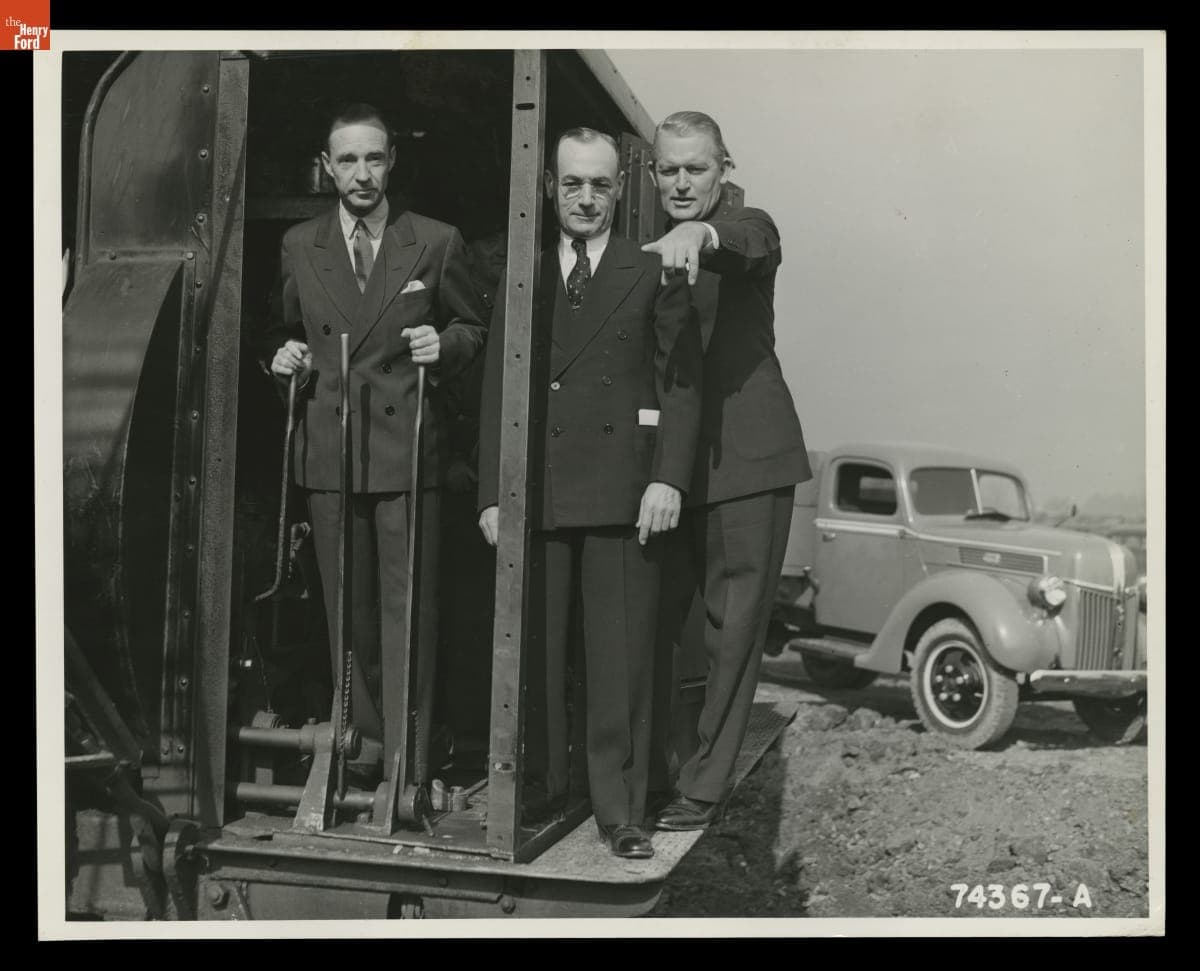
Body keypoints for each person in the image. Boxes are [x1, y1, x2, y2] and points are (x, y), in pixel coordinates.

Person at [477, 127, 703, 859]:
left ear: (619, 189)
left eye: (599, 184)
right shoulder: (526, 272)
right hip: (538, 491)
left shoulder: (651, 269)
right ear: (549, 188)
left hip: (623, 493)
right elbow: (496, 388)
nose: (584, 198)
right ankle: (545, 785)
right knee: (536, 654)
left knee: (621, 660)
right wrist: (491, 492)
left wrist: (667, 476)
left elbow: (681, 383)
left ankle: (620, 808)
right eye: (571, 183)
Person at [266, 103, 488, 787]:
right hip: (331, 458)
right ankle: (362, 752)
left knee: (408, 615)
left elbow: (473, 329)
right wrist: (282, 361)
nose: (361, 173)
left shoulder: (435, 240)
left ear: (392, 162)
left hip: (405, 456)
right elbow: (284, 337)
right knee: (348, 616)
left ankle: (409, 763)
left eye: (374, 158)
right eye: (348, 160)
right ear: (328, 167)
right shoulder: (300, 245)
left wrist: (444, 344)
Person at [643, 110, 813, 831]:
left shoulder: (747, 229)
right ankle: (662, 769)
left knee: (732, 633)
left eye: (697, 169)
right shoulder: (646, 248)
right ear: (652, 175)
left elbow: (747, 242)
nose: (683, 182)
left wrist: (701, 234)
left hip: (748, 464)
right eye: (670, 170)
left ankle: (705, 789)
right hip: (676, 469)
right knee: (662, 626)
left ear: (724, 169)